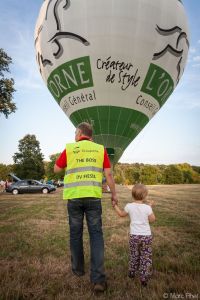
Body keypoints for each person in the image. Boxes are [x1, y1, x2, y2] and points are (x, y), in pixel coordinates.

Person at [54, 122, 117, 292]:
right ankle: (97, 278)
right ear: (91, 136)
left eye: (75, 132)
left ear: (81, 132)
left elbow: (56, 168)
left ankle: (78, 270)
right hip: (92, 198)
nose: (74, 135)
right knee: (96, 235)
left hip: (74, 198)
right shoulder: (99, 149)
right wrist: (114, 193)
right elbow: (109, 174)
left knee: (75, 234)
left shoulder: (70, 148)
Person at [113, 183, 155, 287]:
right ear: (145, 196)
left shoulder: (129, 206)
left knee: (134, 255)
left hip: (134, 236)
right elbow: (152, 220)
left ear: (132, 195)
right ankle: (144, 277)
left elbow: (121, 214)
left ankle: (132, 273)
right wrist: (150, 207)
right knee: (145, 257)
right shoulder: (147, 207)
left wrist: (115, 206)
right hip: (146, 237)